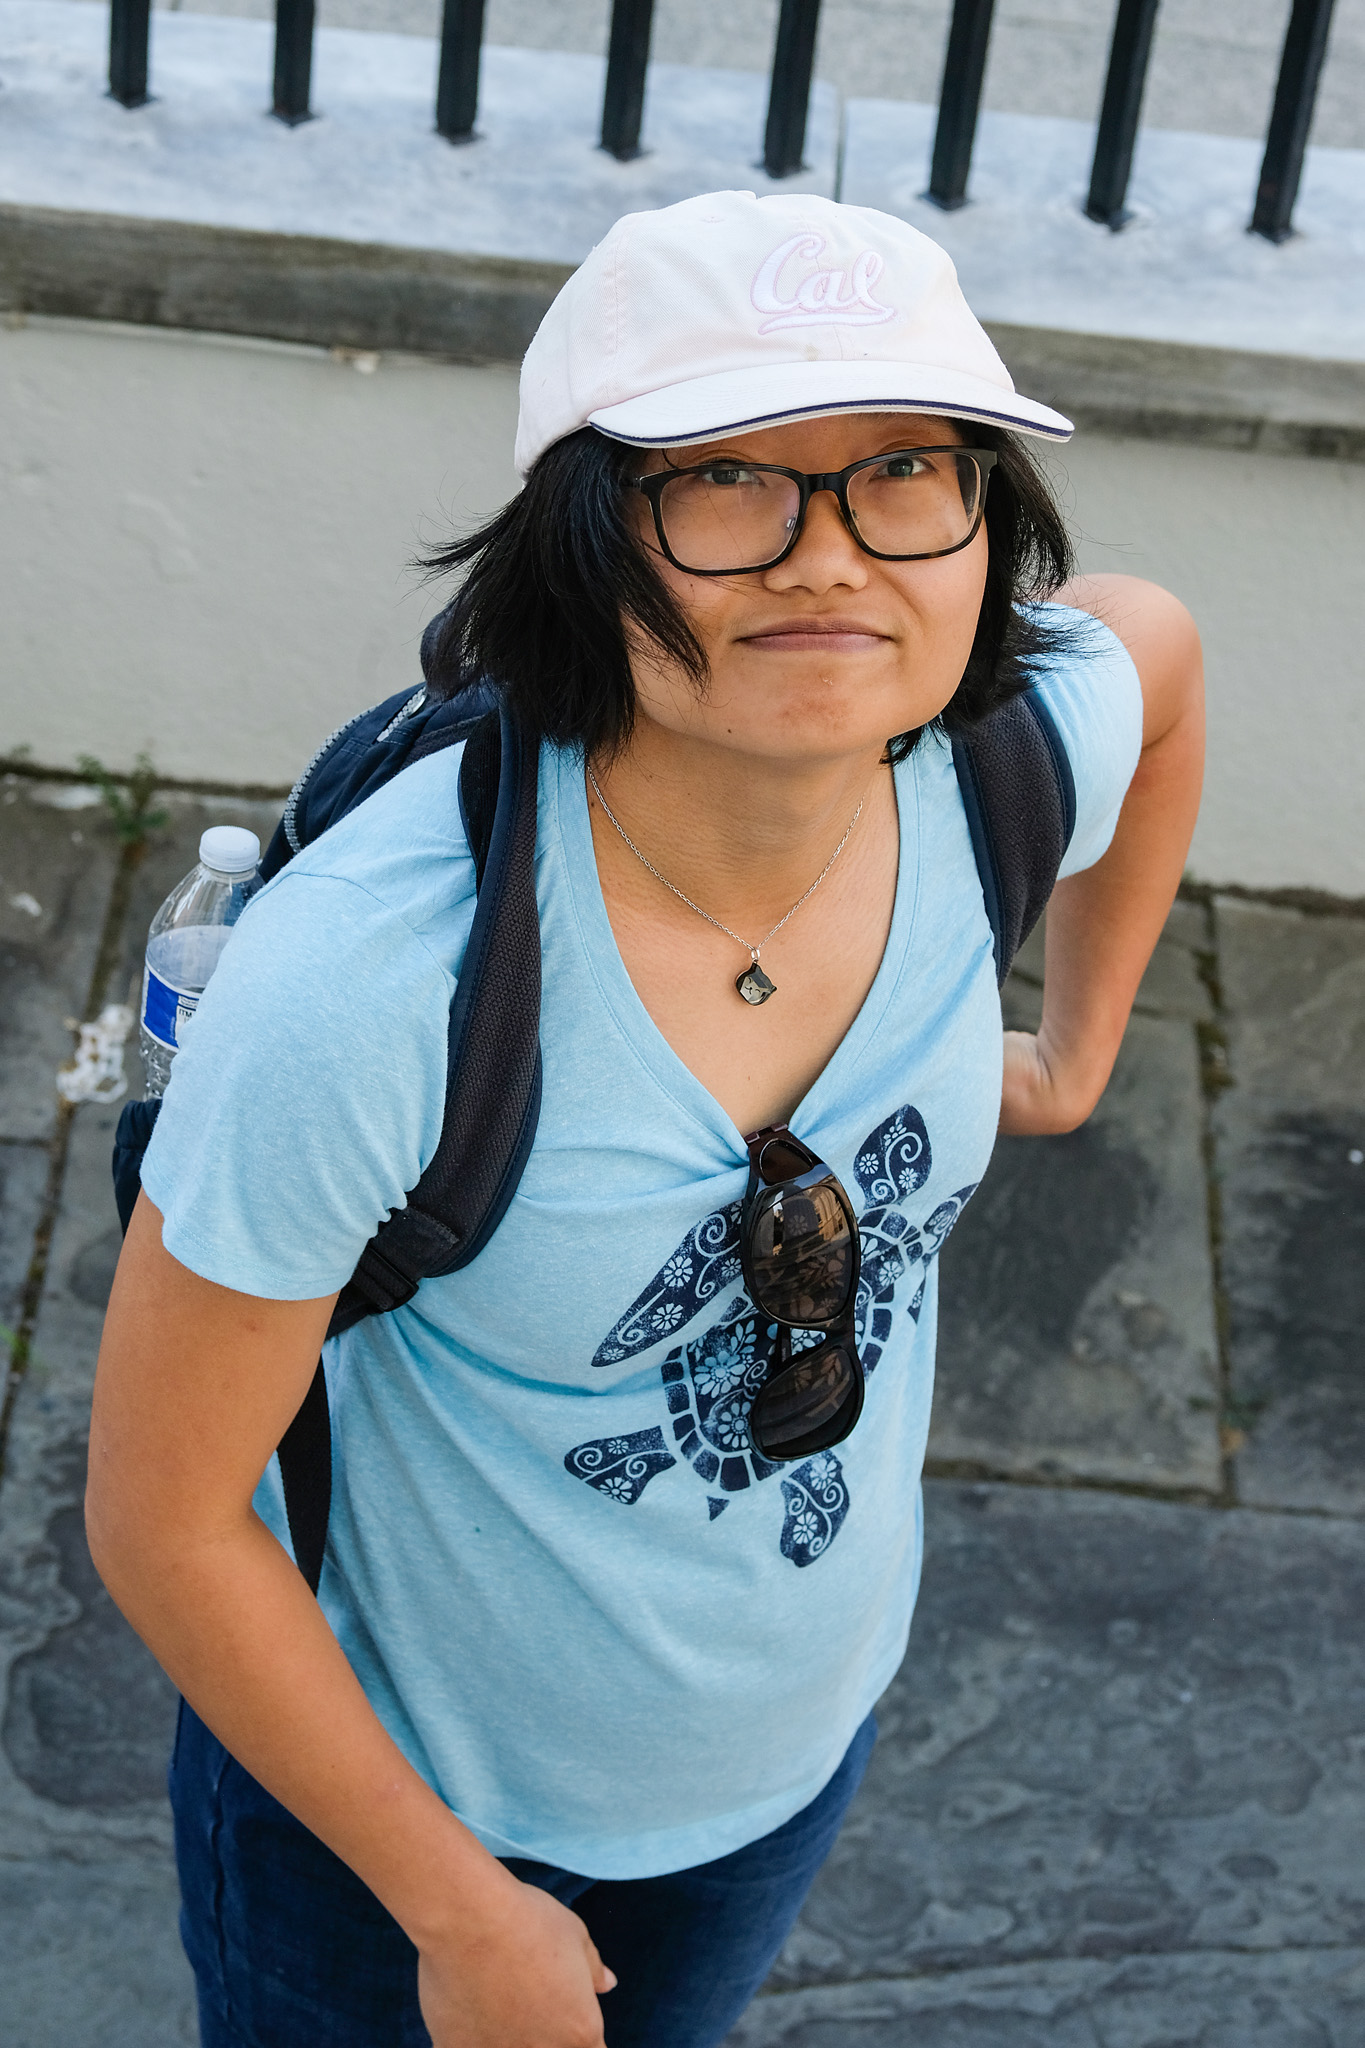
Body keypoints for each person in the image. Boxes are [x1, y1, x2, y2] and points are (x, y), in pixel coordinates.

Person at [87, 189, 1203, 2048]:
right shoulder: (374, 990)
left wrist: (1074, 1053)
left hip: (784, 1755)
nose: (828, 559)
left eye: (905, 472)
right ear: (580, 541)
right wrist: (460, 1916)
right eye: (725, 483)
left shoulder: (995, 766)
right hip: (402, 1819)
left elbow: (1151, 659)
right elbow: (163, 1517)